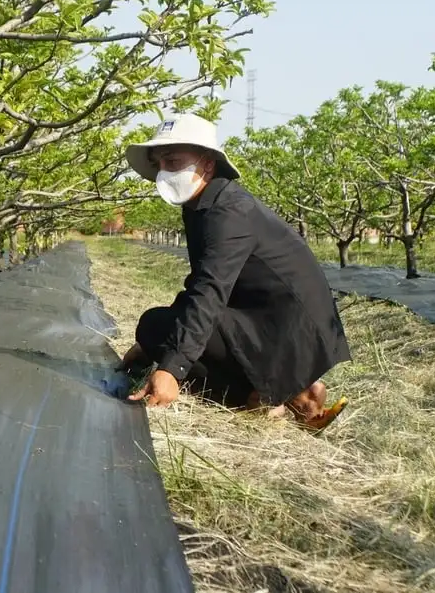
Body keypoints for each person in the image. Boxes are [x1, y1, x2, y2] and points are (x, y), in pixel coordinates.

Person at [117, 114, 351, 431]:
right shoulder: (204, 205)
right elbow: (203, 283)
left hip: (288, 330)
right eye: (160, 164)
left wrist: (172, 368)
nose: (164, 173)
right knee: (161, 329)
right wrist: (154, 350)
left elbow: (209, 291)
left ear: (208, 164)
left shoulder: (228, 212)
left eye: (173, 161)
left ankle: (258, 397)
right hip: (271, 321)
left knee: (155, 326)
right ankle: (298, 392)